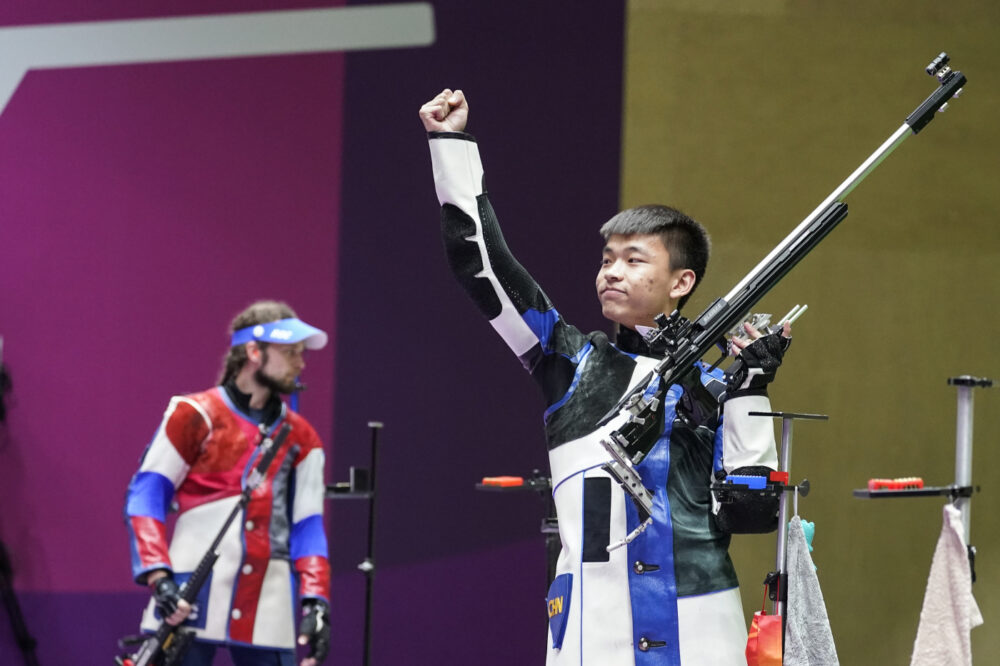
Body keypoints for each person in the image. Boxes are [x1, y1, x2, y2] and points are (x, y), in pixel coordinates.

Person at [419, 89, 793, 665]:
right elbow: (483, 266)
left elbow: (752, 514)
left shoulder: (719, 388)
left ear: (682, 282)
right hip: (594, 631)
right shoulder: (570, 363)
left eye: (633, 260)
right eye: (606, 260)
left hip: (700, 629)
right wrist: (451, 146)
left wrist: (752, 390)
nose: (611, 272)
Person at [124, 300, 332, 666]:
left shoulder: (304, 438)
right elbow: (146, 497)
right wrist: (159, 576)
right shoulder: (194, 414)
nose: (300, 363)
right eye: (290, 352)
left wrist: (316, 602)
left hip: (267, 600)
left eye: (301, 353)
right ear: (253, 352)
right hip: (188, 590)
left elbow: (308, 525)